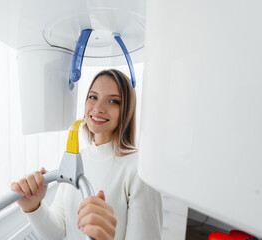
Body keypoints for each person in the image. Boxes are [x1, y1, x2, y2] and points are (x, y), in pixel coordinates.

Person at [11, 69, 163, 240]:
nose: (98, 108)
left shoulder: (139, 170)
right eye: (93, 97)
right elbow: (58, 232)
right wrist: (33, 207)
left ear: (126, 110)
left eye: (113, 101)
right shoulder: (77, 159)